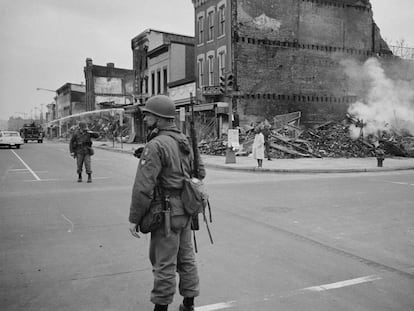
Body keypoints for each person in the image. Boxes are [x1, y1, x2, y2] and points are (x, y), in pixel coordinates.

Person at [129, 95, 205, 311]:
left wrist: (134, 219)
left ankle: (160, 308)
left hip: (167, 212)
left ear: (160, 118)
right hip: (186, 210)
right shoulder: (184, 141)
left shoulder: (155, 145)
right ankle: (188, 304)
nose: (145, 119)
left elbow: (143, 187)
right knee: (186, 258)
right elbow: (201, 173)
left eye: (148, 115)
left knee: (164, 263)